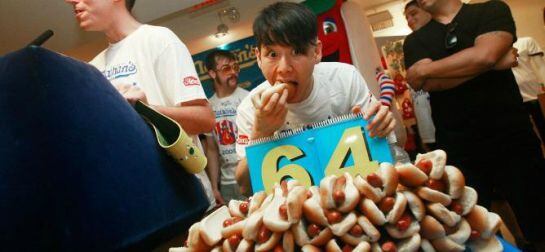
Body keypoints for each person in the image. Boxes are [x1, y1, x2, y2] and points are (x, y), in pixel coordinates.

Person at [403, 0, 545, 249]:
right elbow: (425, 83)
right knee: (475, 233)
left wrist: (432, 69)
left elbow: (486, 54)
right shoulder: (415, 41)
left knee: (539, 220)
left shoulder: (491, 10)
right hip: (460, 150)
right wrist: (490, 63)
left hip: (513, 139)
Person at [65, 0, 217, 208]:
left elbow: (205, 119)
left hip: (184, 202)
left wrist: (147, 111)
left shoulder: (159, 40)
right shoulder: (91, 70)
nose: (70, 1)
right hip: (134, 206)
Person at [234, 2, 396, 195]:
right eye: (272, 54)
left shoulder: (345, 79)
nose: (284, 67)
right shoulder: (250, 108)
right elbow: (245, 187)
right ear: (258, 58)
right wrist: (261, 133)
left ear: (317, 52)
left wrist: (380, 126)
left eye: (296, 52)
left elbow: (389, 150)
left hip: (353, 196)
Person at [204, 49, 249, 204]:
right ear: (212, 73)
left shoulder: (248, 99)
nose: (233, 73)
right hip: (226, 184)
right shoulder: (208, 107)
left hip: (250, 177)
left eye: (235, 67)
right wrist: (214, 186)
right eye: (226, 69)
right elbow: (211, 149)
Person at [404, 0, 437, 151]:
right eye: (407, 18)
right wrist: (422, 137)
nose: (410, 21)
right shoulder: (411, 44)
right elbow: (415, 94)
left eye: (413, 14)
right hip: (428, 133)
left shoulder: (439, 38)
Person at [513, 37, 545, 144]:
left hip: (533, 95)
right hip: (512, 98)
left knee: (542, 127)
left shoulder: (525, 42)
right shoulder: (492, 51)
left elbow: (541, 66)